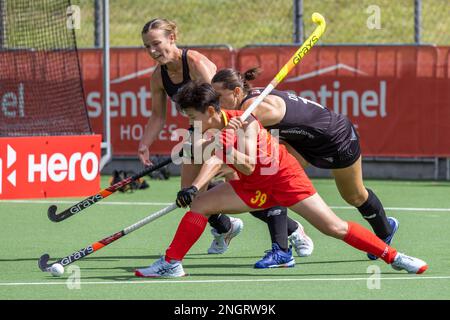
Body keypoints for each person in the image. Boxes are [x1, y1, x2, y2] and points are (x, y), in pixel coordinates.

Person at [134, 81, 428, 278]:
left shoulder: (246, 122)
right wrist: (194, 187)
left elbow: (246, 165)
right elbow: (213, 159)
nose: (189, 121)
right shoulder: (213, 129)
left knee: (333, 227)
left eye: (191, 115)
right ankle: (171, 263)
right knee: (199, 205)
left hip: (284, 179)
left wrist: (224, 145)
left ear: (211, 110)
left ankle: (395, 257)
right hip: (253, 187)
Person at [138, 18, 312, 264]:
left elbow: (217, 108)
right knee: (190, 195)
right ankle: (225, 226)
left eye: (157, 43)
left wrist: (216, 143)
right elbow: (157, 115)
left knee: (249, 183)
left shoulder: (196, 64)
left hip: (229, 129)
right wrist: (145, 143)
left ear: (172, 38)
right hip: (200, 132)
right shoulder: (158, 76)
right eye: (147, 47)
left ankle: (289, 235)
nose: (153, 51)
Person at [211, 68, 398, 261]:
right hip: (299, 143)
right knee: (272, 179)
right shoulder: (244, 104)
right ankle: (282, 248)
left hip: (335, 139)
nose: (214, 103)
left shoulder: (255, 109)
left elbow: (244, 130)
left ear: (236, 92)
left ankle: (385, 231)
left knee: (354, 195)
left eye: (218, 97)